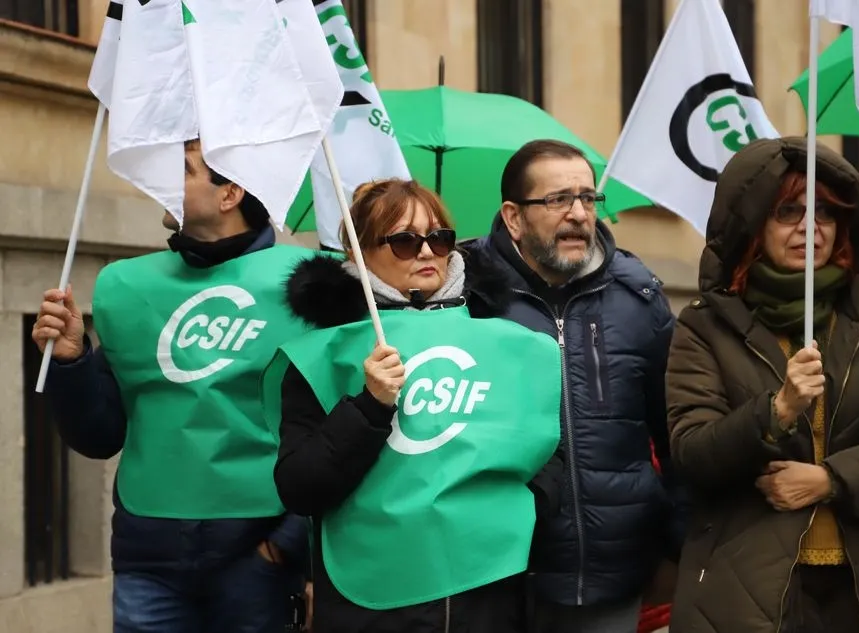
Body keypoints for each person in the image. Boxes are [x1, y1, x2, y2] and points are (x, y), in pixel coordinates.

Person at [665, 136, 859, 633]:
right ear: (753, 223)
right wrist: (776, 410)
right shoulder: (704, 326)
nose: (809, 227)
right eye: (788, 211)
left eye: (825, 213)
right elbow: (692, 453)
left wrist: (832, 480)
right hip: (750, 591)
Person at [31, 139, 313, 633]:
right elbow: (99, 436)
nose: (161, 180)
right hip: (149, 556)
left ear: (230, 193)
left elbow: (335, 434)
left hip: (257, 558)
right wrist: (72, 361)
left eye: (183, 169)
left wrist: (285, 547)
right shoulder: (128, 287)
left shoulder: (309, 287)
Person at [270, 178, 564, 633]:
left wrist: (525, 510)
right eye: (405, 241)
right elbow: (300, 487)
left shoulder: (508, 342)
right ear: (358, 254)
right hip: (372, 601)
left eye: (439, 238)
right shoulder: (325, 354)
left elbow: (547, 452)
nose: (427, 252)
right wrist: (369, 407)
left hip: (487, 592)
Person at [464, 139, 686, 633]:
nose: (580, 214)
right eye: (559, 199)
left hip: (613, 576)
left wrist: (678, 546)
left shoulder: (637, 297)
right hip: (495, 576)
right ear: (514, 217)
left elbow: (676, 435)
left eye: (588, 197)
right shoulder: (466, 297)